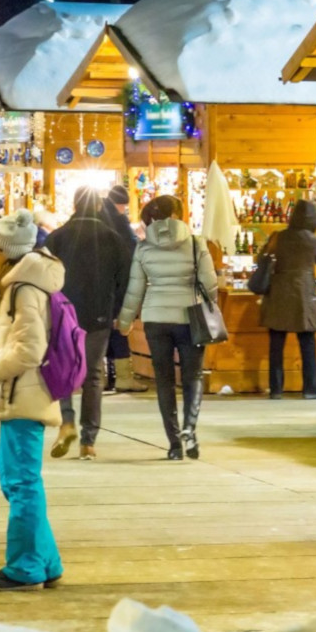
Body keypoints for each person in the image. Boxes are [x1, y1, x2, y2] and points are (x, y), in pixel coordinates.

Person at [0, 209, 65, 591]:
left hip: (23, 395)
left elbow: (29, 348)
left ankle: (26, 566)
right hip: (25, 395)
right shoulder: (25, 282)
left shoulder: (22, 288)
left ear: (6, 252)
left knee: (21, 483)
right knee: (20, 482)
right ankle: (45, 560)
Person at [117, 195, 218, 461]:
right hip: (189, 317)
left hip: (155, 319)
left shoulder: (143, 247)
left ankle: (174, 445)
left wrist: (126, 322)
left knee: (163, 381)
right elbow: (210, 284)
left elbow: (135, 289)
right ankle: (190, 429)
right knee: (192, 376)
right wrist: (208, 307)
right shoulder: (197, 244)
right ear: (178, 215)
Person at [44, 186, 130, 461]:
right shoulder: (112, 239)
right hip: (99, 314)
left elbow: (43, 275)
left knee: (65, 370)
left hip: (63, 314)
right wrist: (116, 310)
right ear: (97, 207)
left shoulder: (57, 238)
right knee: (93, 375)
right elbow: (123, 279)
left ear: (74, 204)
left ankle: (67, 421)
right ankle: (89, 440)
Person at [260, 199, 316, 400]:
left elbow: (262, 257)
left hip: (279, 291)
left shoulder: (278, 237)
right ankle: (310, 388)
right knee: (307, 342)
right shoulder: (312, 239)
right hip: (303, 292)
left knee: (276, 343)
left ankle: (276, 389)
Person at [101, 184, 148, 394]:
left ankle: (103, 375)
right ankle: (123, 377)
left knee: (102, 330)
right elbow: (129, 249)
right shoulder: (118, 220)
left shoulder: (97, 216)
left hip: (98, 283)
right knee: (119, 327)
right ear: (121, 204)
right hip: (116, 281)